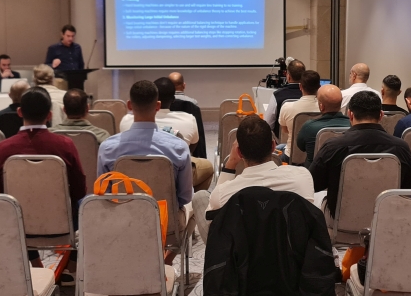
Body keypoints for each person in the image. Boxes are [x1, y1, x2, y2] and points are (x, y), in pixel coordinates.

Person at [0, 87, 88, 273]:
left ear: (20, 112)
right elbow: (79, 191)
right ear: (50, 115)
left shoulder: (2, 149)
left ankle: (35, 264)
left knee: (12, 206)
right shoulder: (65, 145)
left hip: (18, 227)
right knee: (87, 203)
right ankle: (71, 266)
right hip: (63, 225)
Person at [98, 80, 208, 227]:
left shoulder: (107, 147)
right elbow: (184, 197)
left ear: (129, 105)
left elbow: (104, 194)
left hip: (123, 225)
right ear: (157, 106)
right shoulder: (178, 147)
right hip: (167, 226)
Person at [193, 115, 314, 243]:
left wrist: (231, 163)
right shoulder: (303, 177)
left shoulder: (224, 194)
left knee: (201, 197)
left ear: (239, 152)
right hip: (293, 252)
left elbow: (215, 217)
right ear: (273, 146)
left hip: (242, 254)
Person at [309, 90, 411, 219]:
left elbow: (314, 184)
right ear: (381, 115)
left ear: (350, 114)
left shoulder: (333, 146)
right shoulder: (401, 147)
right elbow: (407, 186)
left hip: (341, 220)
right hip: (386, 218)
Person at [117, 77, 214, 192]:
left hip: (131, 179)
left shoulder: (123, 124)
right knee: (206, 166)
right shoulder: (187, 122)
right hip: (174, 180)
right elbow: (191, 147)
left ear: (129, 105)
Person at [294, 84, 351, 168]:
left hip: (314, 173)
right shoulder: (352, 125)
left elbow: (301, 147)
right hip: (343, 171)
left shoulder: (309, 127)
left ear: (321, 106)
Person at [278, 69, 321, 159]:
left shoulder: (287, 106)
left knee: (278, 149)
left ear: (300, 86)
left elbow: (285, 130)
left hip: (291, 156)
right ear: (319, 87)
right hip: (317, 155)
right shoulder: (324, 107)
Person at [264, 59, 305, 138]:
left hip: (282, 141)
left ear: (288, 76)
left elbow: (267, 125)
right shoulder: (311, 96)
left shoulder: (277, 95)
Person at [45, 24, 85, 89]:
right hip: (61, 80)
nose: (70, 38)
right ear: (62, 35)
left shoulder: (77, 47)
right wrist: (52, 65)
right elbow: (46, 66)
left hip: (76, 80)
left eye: (72, 36)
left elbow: (81, 64)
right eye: (68, 36)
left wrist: (81, 76)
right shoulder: (53, 48)